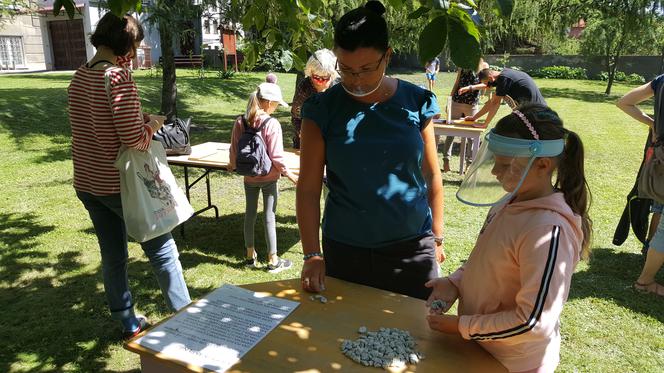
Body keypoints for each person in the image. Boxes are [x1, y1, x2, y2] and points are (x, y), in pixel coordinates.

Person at [426, 104, 592, 373]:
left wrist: (463, 326)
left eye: (504, 165)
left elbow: (534, 322)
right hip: (482, 349)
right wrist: (455, 282)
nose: (494, 172)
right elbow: (490, 262)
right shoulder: (509, 202)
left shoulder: (548, 231)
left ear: (542, 164)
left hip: (513, 363)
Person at [297, 0, 444, 300]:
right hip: (346, 252)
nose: (356, 80)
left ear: (387, 56)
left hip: (412, 250)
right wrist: (312, 254)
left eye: (366, 68)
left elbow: (431, 175)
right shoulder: (321, 110)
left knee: (418, 338)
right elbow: (309, 190)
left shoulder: (416, 102)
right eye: (347, 69)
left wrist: (437, 238)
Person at [67, 12, 191, 340]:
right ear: (124, 43)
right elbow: (134, 139)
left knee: (113, 254)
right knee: (163, 250)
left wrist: (139, 118)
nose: (136, 50)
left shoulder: (79, 75)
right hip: (119, 185)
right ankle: (188, 318)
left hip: (88, 182)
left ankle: (127, 322)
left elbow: (99, 124)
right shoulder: (118, 78)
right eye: (136, 43)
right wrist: (153, 124)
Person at [229, 82, 299, 273]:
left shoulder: (240, 121)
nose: (276, 107)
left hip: (249, 177)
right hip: (269, 177)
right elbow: (276, 156)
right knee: (269, 216)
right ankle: (273, 260)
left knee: (249, 215)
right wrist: (290, 174)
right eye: (276, 104)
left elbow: (234, 150)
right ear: (268, 103)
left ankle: (250, 256)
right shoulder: (272, 124)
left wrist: (233, 166)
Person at [616, 73, 664, 296]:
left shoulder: (661, 80)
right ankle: (645, 280)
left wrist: (653, 124)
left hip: (659, 158)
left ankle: (648, 254)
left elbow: (624, 102)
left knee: (659, 207)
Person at [440, 58, 490, 172]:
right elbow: (457, 82)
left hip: (471, 104)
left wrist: (473, 89)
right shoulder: (462, 65)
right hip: (457, 102)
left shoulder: (484, 66)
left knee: (472, 136)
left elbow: (486, 85)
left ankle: (469, 163)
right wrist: (450, 99)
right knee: (450, 132)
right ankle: (446, 160)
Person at [290, 49, 339, 149]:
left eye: (325, 78)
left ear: (332, 74)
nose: (320, 82)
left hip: (332, 142)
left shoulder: (338, 88)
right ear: (310, 72)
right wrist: (301, 132)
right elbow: (296, 117)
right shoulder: (304, 87)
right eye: (316, 77)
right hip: (305, 142)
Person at [464, 67, 546, 125]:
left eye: (487, 83)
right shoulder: (505, 74)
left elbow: (495, 103)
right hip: (533, 108)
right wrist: (475, 117)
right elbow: (492, 101)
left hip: (536, 110)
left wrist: (485, 123)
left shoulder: (504, 79)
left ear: (491, 78)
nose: (488, 86)